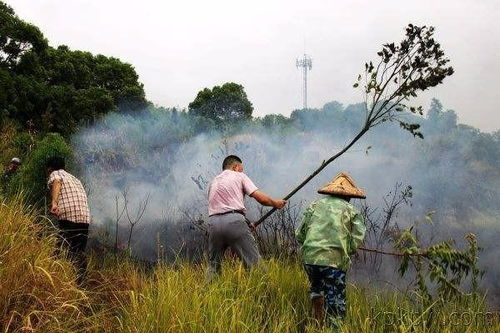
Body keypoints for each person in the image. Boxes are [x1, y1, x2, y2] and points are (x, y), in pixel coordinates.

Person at [295, 172, 366, 328]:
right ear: (348, 196)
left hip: (310, 259)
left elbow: (299, 234)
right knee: (336, 304)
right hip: (333, 262)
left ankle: (317, 323)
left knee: (316, 289)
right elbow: (358, 237)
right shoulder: (352, 211)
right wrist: (347, 248)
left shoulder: (314, 206)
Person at [207, 155, 286, 279]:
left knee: (213, 265)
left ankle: (208, 294)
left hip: (213, 224)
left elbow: (224, 207)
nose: (242, 171)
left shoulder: (213, 181)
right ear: (235, 167)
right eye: (241, 169)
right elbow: (261, 198)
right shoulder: (239, 176)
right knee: (255, 265)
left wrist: (246, 223)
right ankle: (266, 295)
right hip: (234, 223)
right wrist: (276, 203)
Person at [46, 156, 91, 284]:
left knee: (61, 247)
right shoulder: (75, 179)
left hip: (68, 216)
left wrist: (54, 203)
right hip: (84, 217)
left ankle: (53, 277)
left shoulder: (55, 173)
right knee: (78, 251)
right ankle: (81, 282)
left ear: (49, 169)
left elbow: (56, 182)